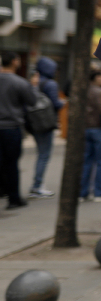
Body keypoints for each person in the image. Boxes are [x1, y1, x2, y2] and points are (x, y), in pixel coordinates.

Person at [0, 52, 37, 209]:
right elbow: (32, 101)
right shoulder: (20, 83)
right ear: (14, 62)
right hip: (11, 128)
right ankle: (13, 199)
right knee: (11, 163)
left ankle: (3, 190)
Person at [30, 57, 64, 198]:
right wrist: (63, 102)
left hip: (36, 123)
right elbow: (55, 104)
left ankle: (37, 185)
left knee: (40, 153)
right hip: (47, 123)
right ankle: (37, 186)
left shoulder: (35, 82)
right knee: (44, 155)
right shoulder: (50, 84)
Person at [80, 69, 101, 202]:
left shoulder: (82, 91)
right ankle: (99, 192)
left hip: (85, 128)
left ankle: (83, 192)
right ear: (97, 77)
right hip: (100, 129)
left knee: (86, 161)